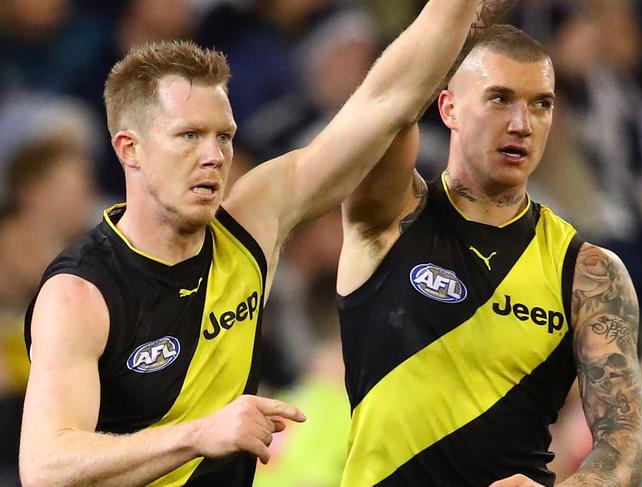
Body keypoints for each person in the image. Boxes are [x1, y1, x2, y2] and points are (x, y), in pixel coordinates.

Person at [18, 1, 505, 486]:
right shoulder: (79, 292)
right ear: (131, 149)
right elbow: (45, 468)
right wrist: (198, 434)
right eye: (189, 135)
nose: (213, 156)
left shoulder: (248, 223)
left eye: (224, 137)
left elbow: (385, 101)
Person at [336, 24, 642, 487]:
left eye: (540, 104)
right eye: (500, 98)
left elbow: (624, 438)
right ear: (448, 107)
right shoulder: (389, 219)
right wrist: (455, 21)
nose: (522, 124)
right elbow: (387, 109)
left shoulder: (587, 270)